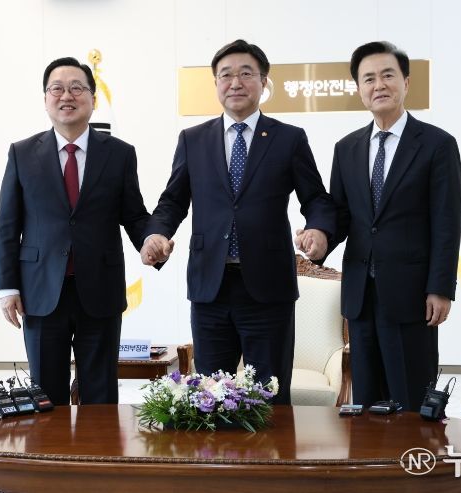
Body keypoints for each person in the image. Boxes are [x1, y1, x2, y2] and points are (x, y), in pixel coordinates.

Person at [141, 39, 335, 404]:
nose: (235, 83)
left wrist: (319, 230)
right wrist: (157, 234)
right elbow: (173, 201)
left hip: (268, 289)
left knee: (269, 397)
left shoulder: (289, 139)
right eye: (225, 75)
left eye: (246, 74)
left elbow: (316, 199)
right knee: (210, 399)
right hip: (210, 288)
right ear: (216, 83)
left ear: (263, 82)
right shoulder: (193, 140)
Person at [299, 41, 461, 411]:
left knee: (410, 401)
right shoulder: (347, 148)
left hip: (412, 296)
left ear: (406, 82)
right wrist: (320, 237)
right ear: (359, 89)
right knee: (366, 404)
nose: (379, 85)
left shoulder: (437, 145)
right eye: (368, 79)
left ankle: (415, 450)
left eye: (388, 75)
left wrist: (440, 288)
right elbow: (342, 215)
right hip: (360, 296)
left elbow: (447, 223)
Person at [0, 57, 151, 405]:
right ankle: (51, 446)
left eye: (77, 88)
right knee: (45, 395)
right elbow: (7, 225)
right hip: (40, 291)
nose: (67, 96)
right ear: (45, 99)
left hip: (100, 288)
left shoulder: (120, 154)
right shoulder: (22, 153)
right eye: (57, 88)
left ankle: (99, 445)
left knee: (101, 393)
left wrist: (152, 240)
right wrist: (7, 287)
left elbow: (134, 215)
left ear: (93, 99)